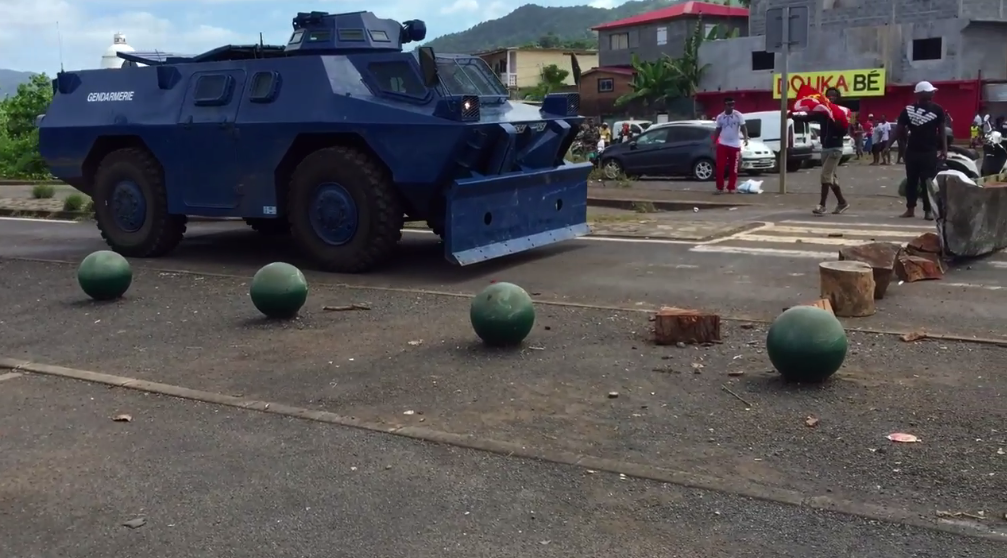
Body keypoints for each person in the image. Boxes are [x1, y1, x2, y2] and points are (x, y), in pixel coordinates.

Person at [790, 87, 850, 215]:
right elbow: (808, 117)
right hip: (825, 148)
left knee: (825, 176)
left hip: (835, 149)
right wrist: (794, 116)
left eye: (834, 95)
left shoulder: (841, 112)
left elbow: (844, 130)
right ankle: (842, 202)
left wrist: (838, 124)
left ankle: (822, 205)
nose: (831, 97)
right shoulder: (823, 112)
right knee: (831, 178)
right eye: (829, 95)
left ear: (838, 97)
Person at [895, 81, 947, 221]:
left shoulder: (938, 109)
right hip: (912, 151)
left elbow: (942, 131)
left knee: (927, 182)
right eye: (930, 91)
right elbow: (899, 129)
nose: (933, 93)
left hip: (929, 151)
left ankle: (928, 210)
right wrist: (888, 145)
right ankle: (910, 209)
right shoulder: (908, 110)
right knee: (911, 181)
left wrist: (944, 149)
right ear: (920, 94)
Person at [712, 97, 748, 194]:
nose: (731, 107)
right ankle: (719, 187)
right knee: (720, 167)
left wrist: (745, 138)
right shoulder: (720, 117)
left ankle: (731, 187)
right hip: (723, 144)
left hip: (735, 145)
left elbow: (743, 127)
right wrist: (714, 142)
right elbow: (718, 130)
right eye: (729, 104)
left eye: (733, 104)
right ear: (724, 105)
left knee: (734, 167)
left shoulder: (738, 115)